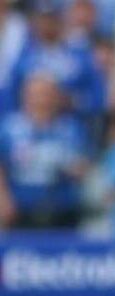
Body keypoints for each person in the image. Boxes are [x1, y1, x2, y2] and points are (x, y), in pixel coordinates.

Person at [0, 72, 89, 230]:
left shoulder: (71, 128)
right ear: (24, 96)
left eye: (46, 94)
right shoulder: (9, 128)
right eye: (36, 94)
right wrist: (4, 198)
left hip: (63, 209)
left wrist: (62, 162)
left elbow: (83, 169)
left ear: (56, 97)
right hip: (21, 210)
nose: (41, 100)